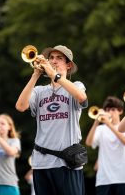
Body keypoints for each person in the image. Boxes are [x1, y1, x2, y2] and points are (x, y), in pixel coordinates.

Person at [16, 45, 88, 195]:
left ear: (68, 65)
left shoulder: (76, 86)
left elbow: (82, 98)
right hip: (41, 164)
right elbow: (20, 106)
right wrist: (35, 75)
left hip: (66, 163)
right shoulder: (39, 91)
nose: (53, 61)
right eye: (51, 58)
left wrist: (55, 75)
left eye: (59, 58)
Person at [85, 96, 125, 195]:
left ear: (120, 111)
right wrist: (96, 122)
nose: (109, 112)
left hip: (122, 177)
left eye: (113, 109)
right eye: (107, 110)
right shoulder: (101, 129)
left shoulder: (124, 127)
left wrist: (109, 125)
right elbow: (88, 143)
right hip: (103, 179)